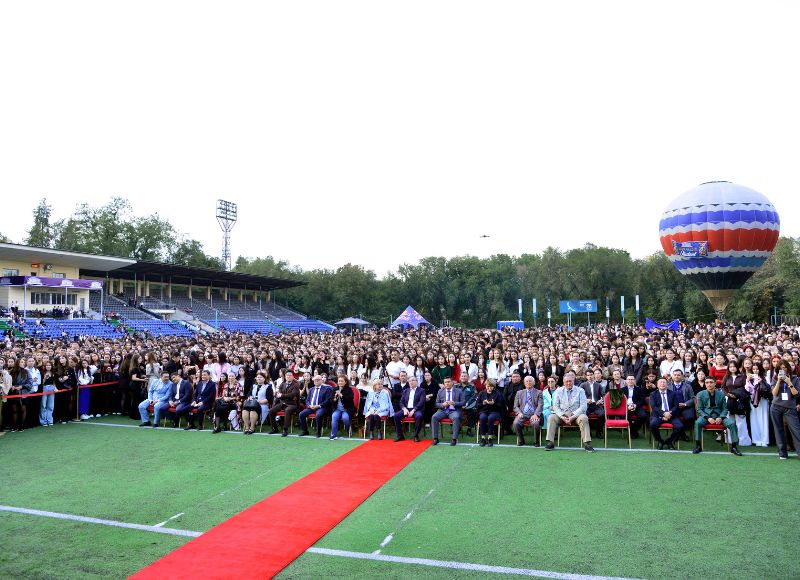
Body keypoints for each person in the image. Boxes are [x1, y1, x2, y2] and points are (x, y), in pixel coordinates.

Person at [693, 376, 743, 456]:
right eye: (707, 382)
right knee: (698, 423)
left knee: (732, 423)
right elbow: (699, 409)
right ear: (705, 384)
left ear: (715, 383)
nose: (709, 384)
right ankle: (698, 446)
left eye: (711, 382)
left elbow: (725, 408)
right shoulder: (700, 394)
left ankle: (734, 447)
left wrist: (721, 417)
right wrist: (708, 418)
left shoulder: (721, 394)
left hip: (719, 415)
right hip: (706, 416)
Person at [545, 373, 594, 452]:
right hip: (562, 415)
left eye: (570, 381)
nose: (568, 383)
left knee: (584, 418)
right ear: (563, 382)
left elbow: (583, 406)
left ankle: (587, 443)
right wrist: (562, 416)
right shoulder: (559, 390)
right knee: (551, 417)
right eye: (566, 381)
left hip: (576, 415)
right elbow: (555, 406)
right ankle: (550, 442)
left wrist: (573, 416)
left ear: (573, 381)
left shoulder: (580, 390)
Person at [769, 361, 800, 460]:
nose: (783, 369)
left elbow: (796, 394)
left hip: (790, 407)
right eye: (781, 368)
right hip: (776, 407)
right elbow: (774, 393)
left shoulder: (795, 378)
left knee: (796, 430)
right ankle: (782, 453)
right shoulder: (775, 378)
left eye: (785, 367)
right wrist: (779, 381)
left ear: (788, 368)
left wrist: (789, 382)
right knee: (778, 430)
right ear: (778, 370)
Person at [649, 378, 684, 450]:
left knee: (680, 427)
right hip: (658, 415)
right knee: (653, 424)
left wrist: (669, 414)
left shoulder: (673, 393)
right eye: (660, 382)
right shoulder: (653, 394)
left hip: (671, 415)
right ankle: (660, 441)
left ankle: (669, 441)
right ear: (657, 385)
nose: (662, 384)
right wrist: (663, 414)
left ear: (667, 385)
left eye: (664, 382)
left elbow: (676, 406)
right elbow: (654, 407)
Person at [431, 376, 464, 446]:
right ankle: (435, 438)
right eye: (445, 382)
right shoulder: (440, 391)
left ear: (452, 383)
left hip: (454, 410)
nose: (447, 383)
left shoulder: (459, 391)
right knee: (434, 417)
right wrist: (442, 404)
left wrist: (455, 403)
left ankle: (454, 439)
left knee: (456, 417)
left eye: (448, 382)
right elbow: (436, 403)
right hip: (443, 410)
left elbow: (463, 402)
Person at [512, 376, 543, 446]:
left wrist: (536, 414)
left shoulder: (539, 392)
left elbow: (540, 405)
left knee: (536, 423)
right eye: (527, 381)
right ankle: (521, 440)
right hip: (522, 414)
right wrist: (519, 413)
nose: (528, 382)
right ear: (524, 383)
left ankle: (536, 441)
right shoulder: (519, 393)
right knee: (516, 423)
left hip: (534, 414)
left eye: (530, 381)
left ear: (534, 383)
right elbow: (515, 406)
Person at [268, 369, 301, 437]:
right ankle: (274, 428)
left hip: (292, 404)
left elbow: (292, 395)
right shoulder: (282, 384)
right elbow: (278, 394)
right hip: (282, 403)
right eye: (287, 375)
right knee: (271, 411)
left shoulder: (296, 385)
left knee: (287, 410)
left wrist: (282, 396)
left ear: (293, 376)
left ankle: (285, 429)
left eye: (290, 375)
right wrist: (280, 395)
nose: (288, 376)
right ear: (285, 376)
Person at [393, 375, 426, 442]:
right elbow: (401, 402)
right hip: (406, 409)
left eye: (413, 380)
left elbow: (421, 402)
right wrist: (404, 409)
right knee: (396, 415)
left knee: (419, 416)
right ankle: (400, 435)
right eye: (410, 381)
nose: (411, 382)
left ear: (416, 382)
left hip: (416, 409)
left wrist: (414, 410)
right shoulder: (406, 391)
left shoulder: (422, 390)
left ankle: (416, 436)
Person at [745, 363, 770, 447]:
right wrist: (748, 380)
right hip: (753, 401)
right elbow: (747, 389)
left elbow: (767, 389)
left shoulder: (765, 377)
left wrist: (761, 382)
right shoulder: (750, 378)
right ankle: (756, 440)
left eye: (757, 369)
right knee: (754, 420)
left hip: (763, 400)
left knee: (764, 419)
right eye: (754, 369)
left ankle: (765, 440)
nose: (755, 371)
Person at [667, 369, 695, 441]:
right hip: (673, 408)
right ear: (672, 376)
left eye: (678, 375)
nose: (676, 376)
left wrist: (685, 404)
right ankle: (683, 434)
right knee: (673, 418)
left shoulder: (688, 386)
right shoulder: (668, 386)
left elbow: (693, 399)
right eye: (675, 375)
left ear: (682, 376)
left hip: (685, 407)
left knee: (690, 417)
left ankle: (680, 432)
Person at [477, 379, 504, 446]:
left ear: (494, 386)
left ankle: (490, 437)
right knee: (482, 417)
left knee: (491, 418)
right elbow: (477, 405)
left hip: (494, 411)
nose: (489, 388)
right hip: (484, 411)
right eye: (488, 386)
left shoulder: (498, 394)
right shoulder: (481, 393)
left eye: (491, 386)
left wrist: (493, 404)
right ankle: (483, 437)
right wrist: (483, 403)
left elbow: (501, 406)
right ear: (485, 385)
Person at [582, 368, 606, 439]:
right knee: (583, 415)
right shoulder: (583, 385)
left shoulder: (598, 385)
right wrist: (586, 400)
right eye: (588, 375)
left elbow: (604, 395)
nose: (590, 376)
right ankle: (588, 432)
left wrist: (601, 400)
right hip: (587, 405)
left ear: (593, 375)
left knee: (602, 414)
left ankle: (599, 432)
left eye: (591, 374)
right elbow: (578, 396)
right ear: (586, 376)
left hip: (597, 405)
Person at [329, 375, 356, 440]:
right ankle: (333, 434)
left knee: (345, 418)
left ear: (345, 382)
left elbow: (350, 399)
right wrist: (334, 399)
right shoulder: (335, 389)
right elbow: (331, 400)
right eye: (339, 381)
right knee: (334, 416)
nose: (340, 382)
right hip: (337, 409)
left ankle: (348, 429)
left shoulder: (349, 390)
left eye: (342, 381)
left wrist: (341, 395)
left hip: (347, 409)